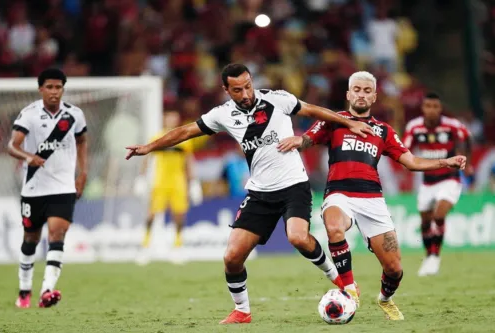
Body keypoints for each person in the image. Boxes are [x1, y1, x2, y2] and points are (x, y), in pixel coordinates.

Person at [125, 63, 374, 324]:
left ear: (252, 81)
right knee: (232, 257)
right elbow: (186, 131)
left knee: (298, 237)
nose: (245, 94)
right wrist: (149, 147)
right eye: (237, 90)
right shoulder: (222, 114)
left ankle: (341, 280)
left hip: (293, 186)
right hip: (259, 193)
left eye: (247, 86)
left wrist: (348, 123)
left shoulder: (278, 99)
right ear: (226, 90)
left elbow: (314, 111)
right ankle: (242, 311)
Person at [277, 71, 466, 320]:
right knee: (334, 228)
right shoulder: (334, 121)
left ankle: (385, 299)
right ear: (348, 94)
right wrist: (297, 140)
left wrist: (446, 161)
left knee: (395, 268)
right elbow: (308, 140)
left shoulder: (383, 131)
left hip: (372, 200)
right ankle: (349, 289)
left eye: (367, 91)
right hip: (339, 194)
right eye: (356, 89)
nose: (361, 94)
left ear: (374, 96)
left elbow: (411, 161)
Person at [8, 68, 88, 308]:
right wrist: (27, 157)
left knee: (57, 233)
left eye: (58, 87)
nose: (54, 92)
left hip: (63, 187)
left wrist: (82, 173)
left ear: (63, 88)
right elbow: (13, 145)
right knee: (30, 239)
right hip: (33, 188)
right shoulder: (28, 114)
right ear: (41, 89)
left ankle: (47, 290)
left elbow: (83, 140)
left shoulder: (74, 115)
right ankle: (24, 289)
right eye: (49, 87)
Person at [402, 93, 472, 276]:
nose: (431, 110)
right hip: (427, 182)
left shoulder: (452, 125)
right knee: (425, 220)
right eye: (428, 106)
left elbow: (467, 137)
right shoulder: (414, 127)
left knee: (439, 214)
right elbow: (404, 151)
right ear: (423, 108)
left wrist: (468, 163)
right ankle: (428, 256)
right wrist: (405, 169)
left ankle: (435, 256)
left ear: (440, 109)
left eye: (435, 106)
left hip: (449, 179)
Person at [138, 110, 196, 253]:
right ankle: (145, 243)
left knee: (179, 213)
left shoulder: (185, 139)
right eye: (169, 118)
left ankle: (178, 244)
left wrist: (194, 182)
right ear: (165, 120)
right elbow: (147, 157)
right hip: (160, 180)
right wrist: (141, 178)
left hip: (178, 181)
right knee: (152, 212)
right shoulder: (158, 137)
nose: (171, 121)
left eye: (174, 118)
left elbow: (189, 161)